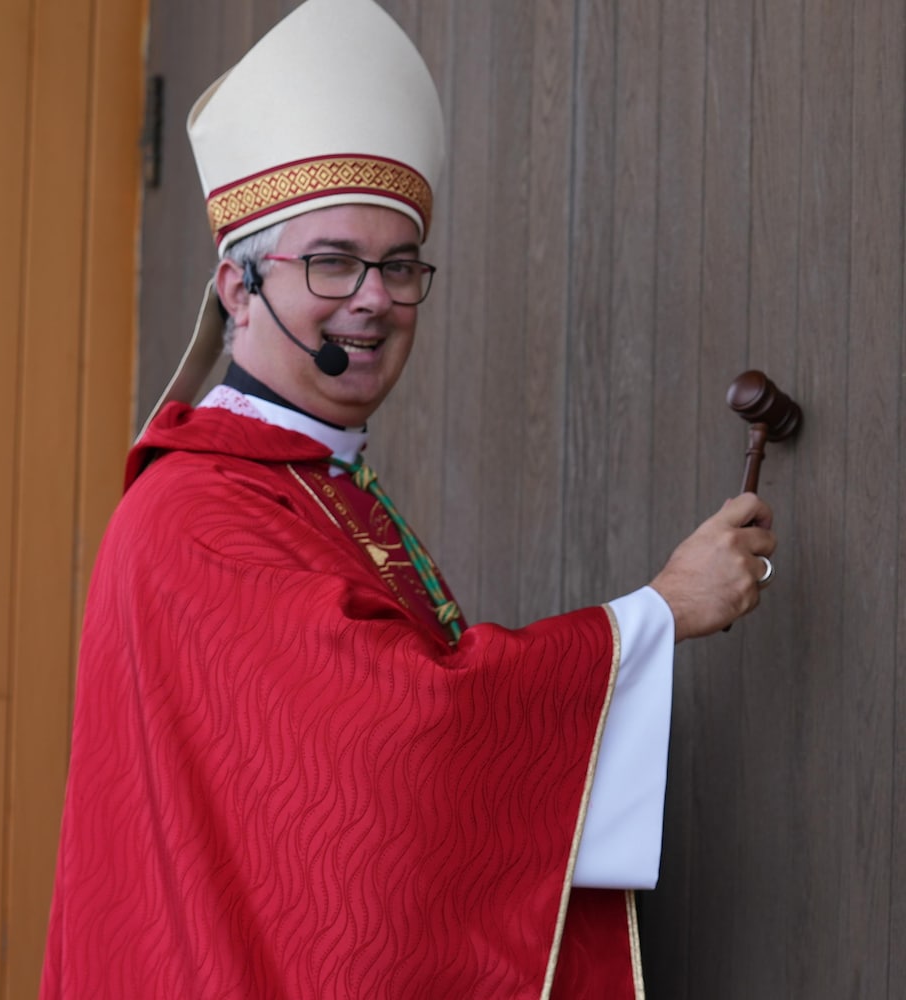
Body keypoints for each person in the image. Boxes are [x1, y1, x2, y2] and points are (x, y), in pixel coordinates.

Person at [40, 1, 776, 997]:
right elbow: (401, 746)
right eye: (333, 261)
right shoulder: (197, 516)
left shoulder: (314, 480)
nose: (374, 298)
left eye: (398, 266)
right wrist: (659, 613)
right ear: (238, 288)